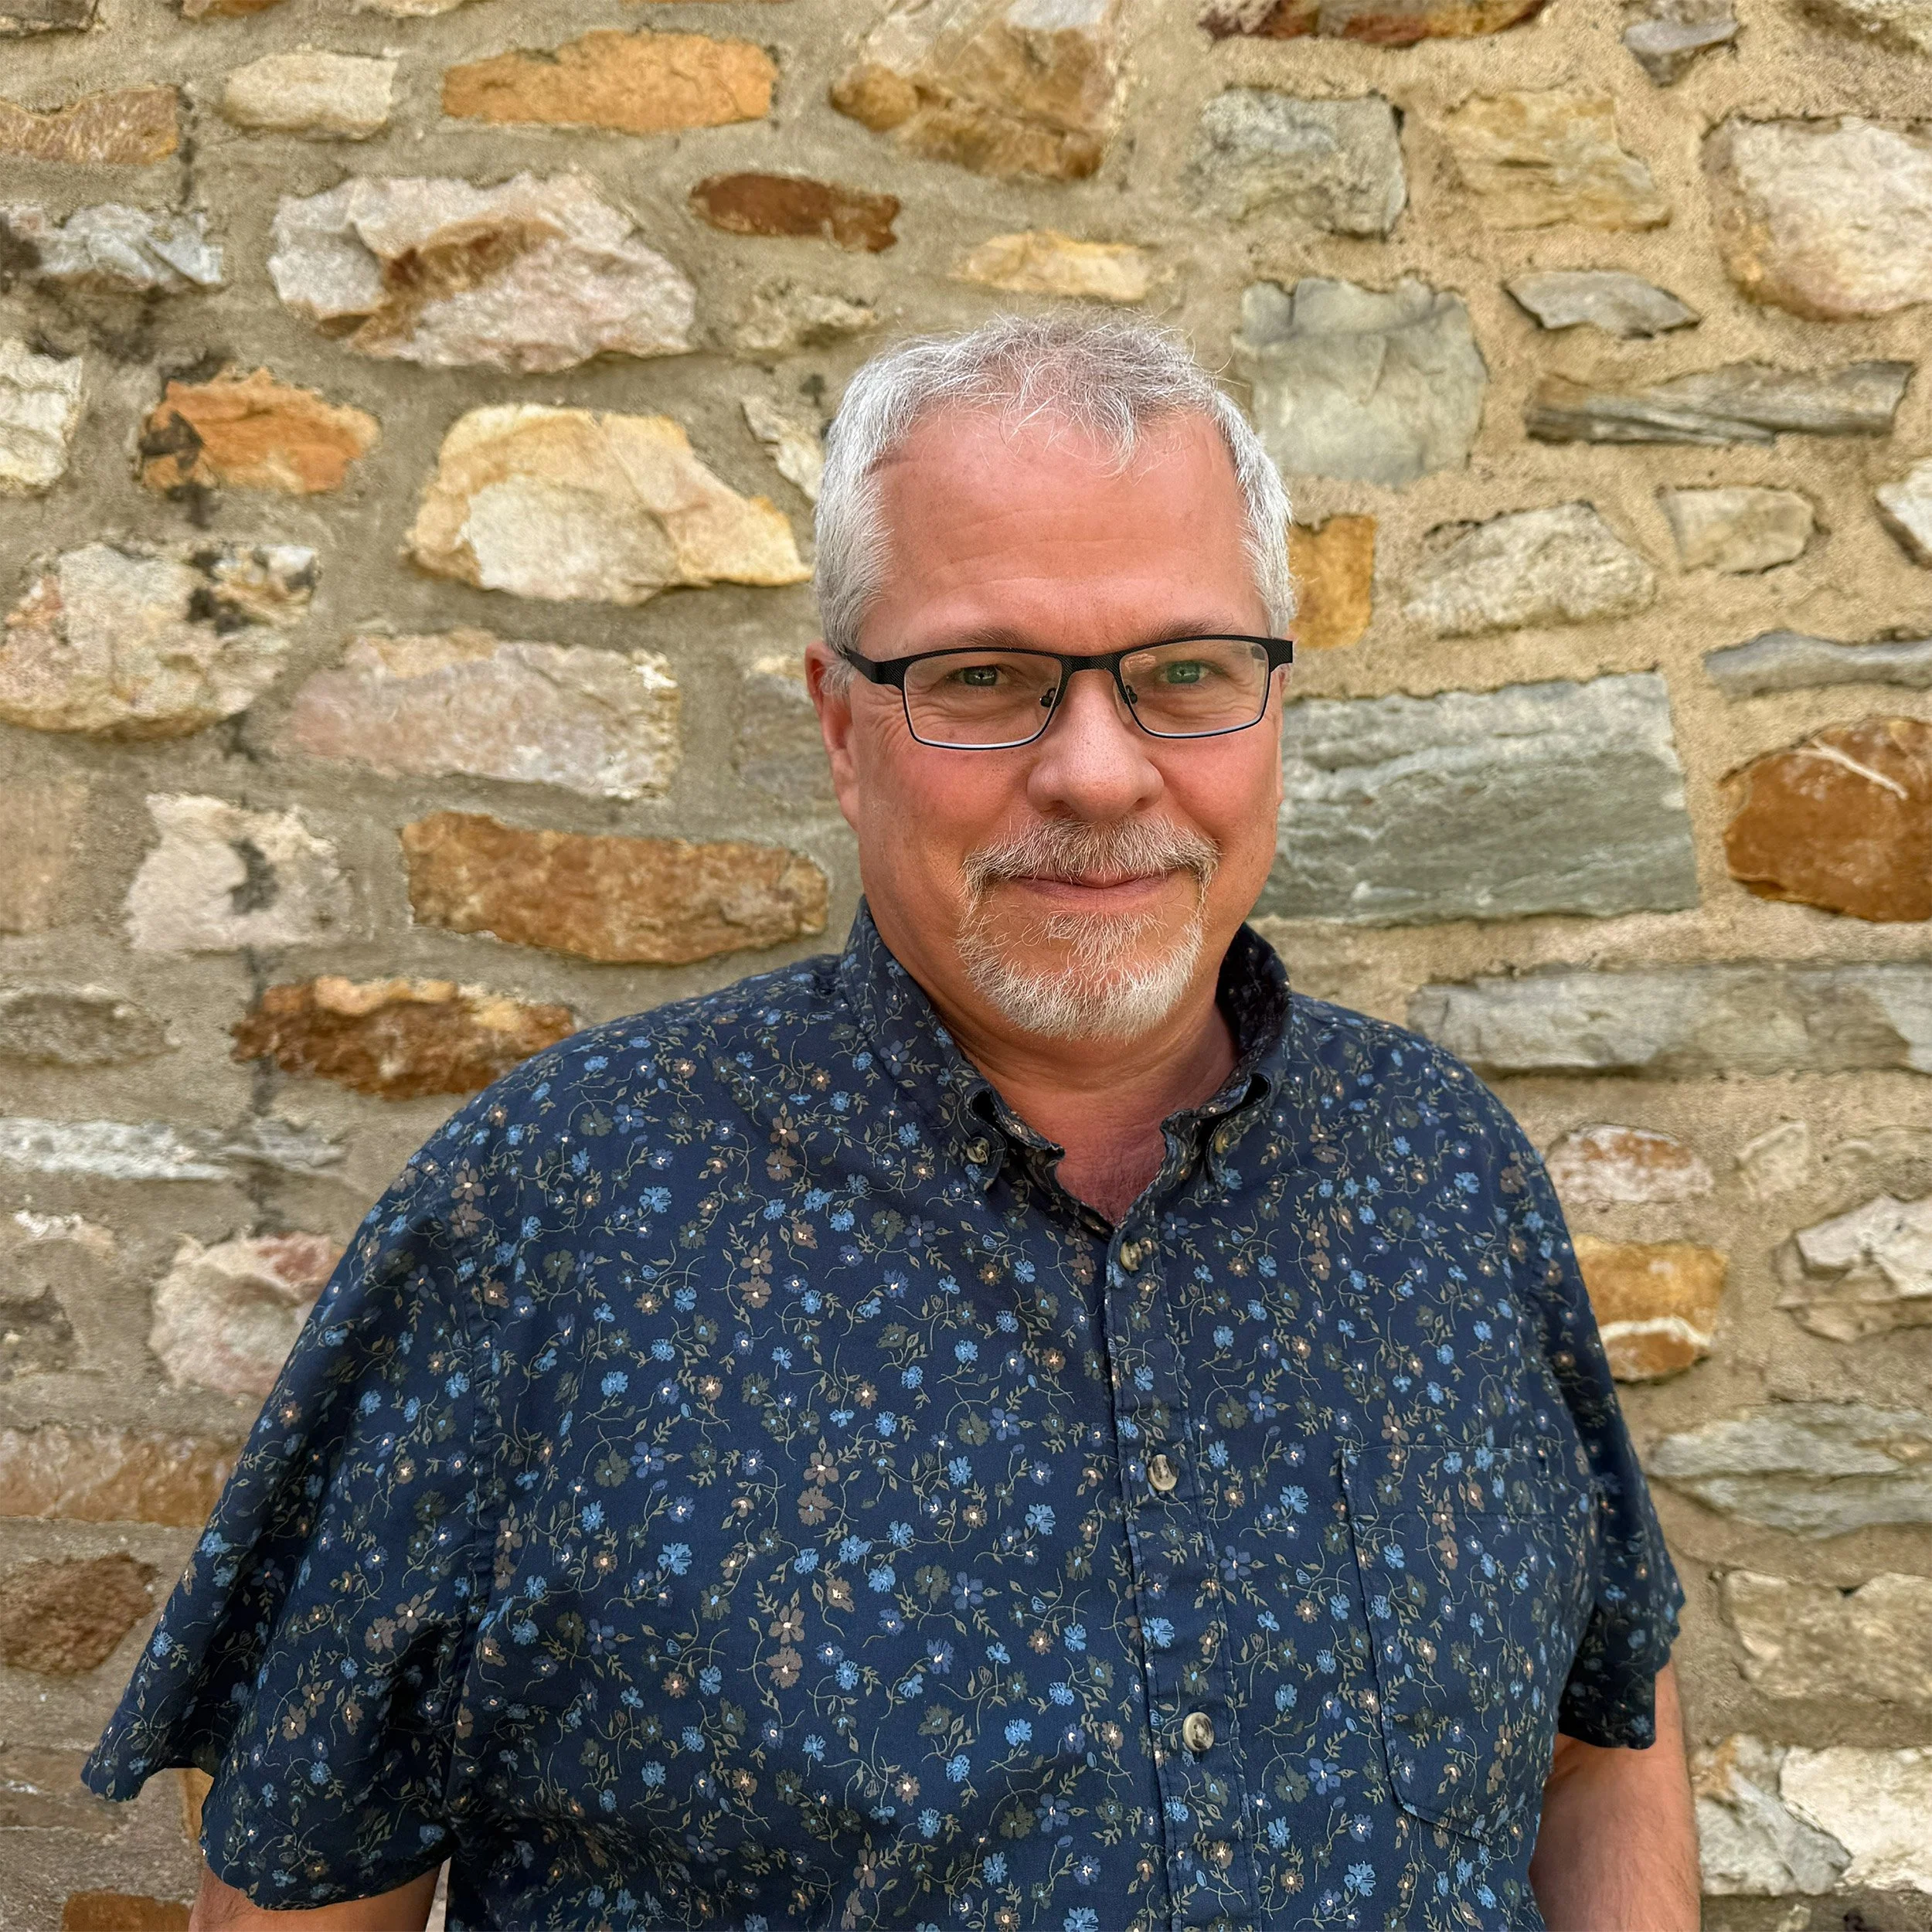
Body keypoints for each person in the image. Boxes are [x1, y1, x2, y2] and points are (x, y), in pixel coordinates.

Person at [86, 315, 1699, 1932]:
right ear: (840, 725)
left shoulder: (1442, 1169)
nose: (1096, 772)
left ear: (1270, 697)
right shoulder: (547, 1217)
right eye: (982, 679)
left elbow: (1597, 1740)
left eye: (1183, 674)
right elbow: (306, 1883)